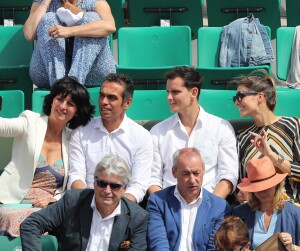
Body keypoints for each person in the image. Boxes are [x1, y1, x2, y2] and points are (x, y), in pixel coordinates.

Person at [20, 154, 148, 251]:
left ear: (124, 188)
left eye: (114, 186)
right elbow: (31, 224)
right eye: (101, 183)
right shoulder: (72, 201)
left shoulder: (138, 216)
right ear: (94, 183)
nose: (107, 190)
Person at [0, 76, 94, 237]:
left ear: (77, 111)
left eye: (70, 104)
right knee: (15, 217)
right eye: (60, 99)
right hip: (13, 200)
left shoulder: (74, 139)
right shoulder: (30, 121)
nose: (63, 106)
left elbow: (75, 181)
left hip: (49, 207)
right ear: (52, 101)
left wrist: (56, 201)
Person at [144, 148, 231, 251]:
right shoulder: (158, 202)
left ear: (204, 171)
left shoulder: (219, 206)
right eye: (185, 173)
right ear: (174, 172)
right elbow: (158, 246)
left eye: (196, 173)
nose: (192, 180)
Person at [149, 66, 238, 199]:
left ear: (194, 92)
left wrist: (210, 207)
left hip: (210, 205)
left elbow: (228, 176)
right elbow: (152, 179)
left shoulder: (221, 128)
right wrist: (165, 207)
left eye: (175, 92)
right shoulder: (158, 132)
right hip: (169, 207)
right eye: (168, 92)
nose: (169, 97)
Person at [68, 73, 153, 203]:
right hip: (86, 203)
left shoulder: (141, 137)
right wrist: (90, 205)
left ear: (127, 103)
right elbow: (76, 176)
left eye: (111, 97)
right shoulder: (81, 132)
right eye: (102, 95)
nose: (104, 102)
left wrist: (117, 208)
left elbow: (139, 185)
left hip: (124, 208)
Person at [232, 69, 300, 200]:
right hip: (255, 209)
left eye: (240, 96)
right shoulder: (243, 137)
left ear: (260, 97)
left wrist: (273, 157)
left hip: (289, 207)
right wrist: (240, 194)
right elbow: (242, 181)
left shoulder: (293, 125)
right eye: (235, 98)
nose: (236, 102)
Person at [24, 0, 116, 88]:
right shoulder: (42, 3)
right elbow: (29, 34)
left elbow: (110, 26)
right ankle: (60, 87)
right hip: (48, 74)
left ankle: (73, 85)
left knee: (91, 18)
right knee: (48, 19)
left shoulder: (94, 2)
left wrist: (70, 31)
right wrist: (46, 1)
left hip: (93, 72)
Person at [233, 156, 300, 251]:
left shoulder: (295, 214)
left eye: (267, 187)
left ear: (277, 185)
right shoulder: (239, 214)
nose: (262, 192)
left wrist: (292, 247)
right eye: (257, 188)